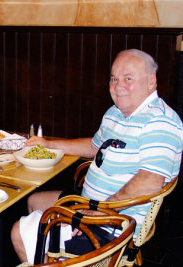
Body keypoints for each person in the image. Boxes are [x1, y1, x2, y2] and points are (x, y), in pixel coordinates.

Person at [11, 49, 183, 264]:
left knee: (19, 232)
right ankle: (54, 258)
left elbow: (150, 181)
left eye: (128, 78)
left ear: (151, 82)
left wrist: (98, 213)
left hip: (114, 225)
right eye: (114, 78)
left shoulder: (159, 122)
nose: (119, 86)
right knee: (35, 201)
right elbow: (94, 146)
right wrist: (48, 144)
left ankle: (64, 254)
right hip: (91, 202)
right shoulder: (116, 113)